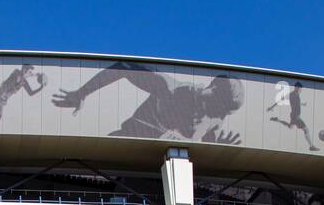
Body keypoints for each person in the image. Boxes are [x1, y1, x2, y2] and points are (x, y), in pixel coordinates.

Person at [50, 61, 243, 143]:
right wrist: (83, 92)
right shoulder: (171, 90)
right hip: (128, 147)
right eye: (212, 108)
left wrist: (219, 148)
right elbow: (125, 67)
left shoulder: (216, 118)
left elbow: (205, 150)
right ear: (211, 90)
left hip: (160, 171)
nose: (212, 115)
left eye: (220, 113)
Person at [268, 81, 318, 151]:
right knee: (306, 129)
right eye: (300, 88)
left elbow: (296, 102)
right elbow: (281, 100)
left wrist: (302, 104)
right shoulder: (293, 94)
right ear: (296, 88)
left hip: (293, 115)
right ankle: (311, 146)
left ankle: (277, 120)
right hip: (296, 116)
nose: (301, 90)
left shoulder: (295, 94)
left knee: (290, 127)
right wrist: (271, 107)